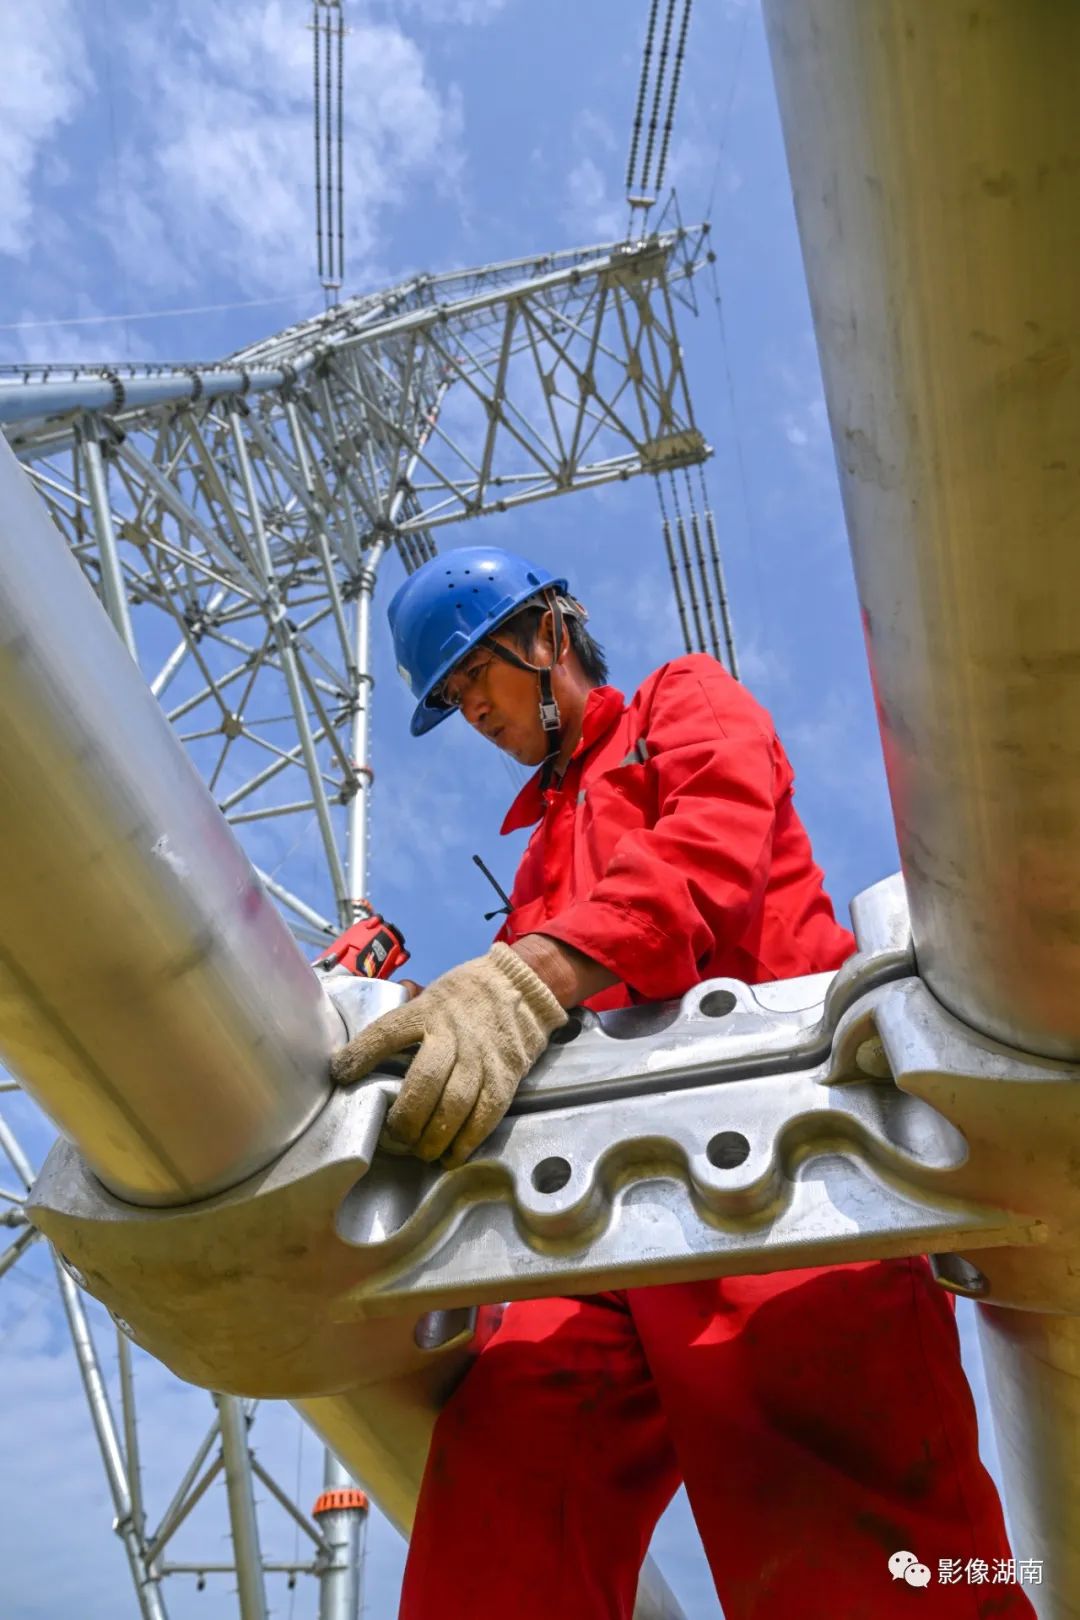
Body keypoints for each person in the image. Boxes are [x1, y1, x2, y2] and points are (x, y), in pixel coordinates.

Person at [331, 546, 1033, 1620]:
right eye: (452, 697)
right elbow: (525, 1014)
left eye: (476, 673)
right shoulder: (539, 859)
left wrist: (531, 974)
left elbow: (709, 847)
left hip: (784, 1172)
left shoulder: (682, 702)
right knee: (501, 1515)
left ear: (548, 633)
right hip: (588, 1223)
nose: (470, 709)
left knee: (853, 1552)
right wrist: (420, 1021)